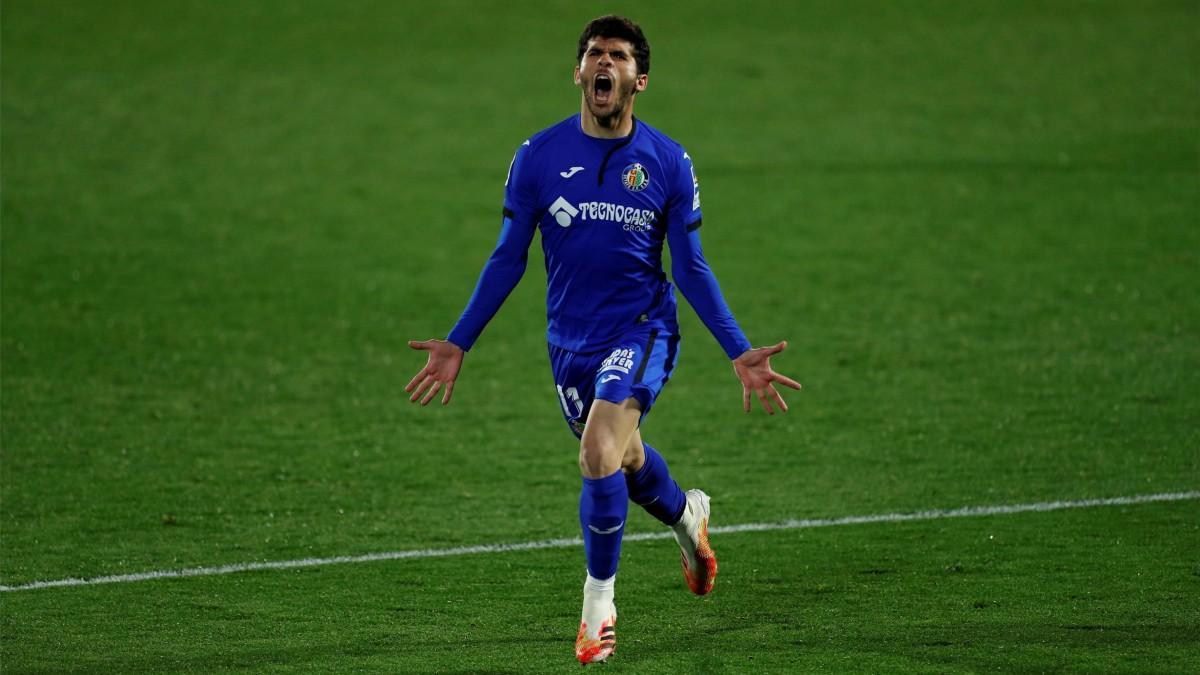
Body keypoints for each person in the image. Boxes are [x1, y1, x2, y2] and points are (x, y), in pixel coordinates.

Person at [405, 15, 800, 664]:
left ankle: (599, 608)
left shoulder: (667, 163)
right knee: (623, 458)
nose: (604, 64)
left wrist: (737, 347)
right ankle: (686, 519)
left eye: (617, 56)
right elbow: (509, 258)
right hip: (569, 341)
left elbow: (691, 267)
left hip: (642, 328)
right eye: (594, 54)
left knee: (597, 450)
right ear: (580, 72)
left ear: (638, 79)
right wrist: (459, 341)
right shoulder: (537, 156)